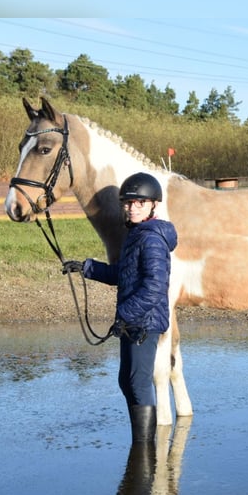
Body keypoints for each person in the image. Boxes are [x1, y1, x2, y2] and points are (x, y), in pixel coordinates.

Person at [62, 172, 177, 444]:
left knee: (138, 382)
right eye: (128, 203)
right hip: (132, 322)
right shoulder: (136, 235)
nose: (133, 207)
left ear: (152, 206)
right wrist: (86, 267)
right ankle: (140, 442)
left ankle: (144, 449)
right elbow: (122, 275)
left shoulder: (150, 239)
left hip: (143, 324)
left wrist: (125, 316)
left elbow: (154, 286)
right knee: (127, 381)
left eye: (140, 203)